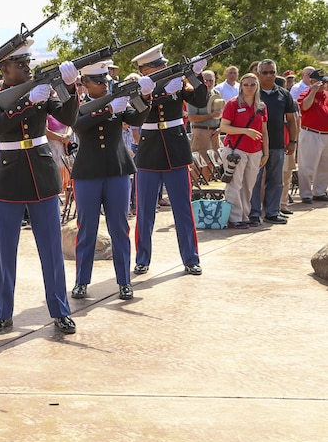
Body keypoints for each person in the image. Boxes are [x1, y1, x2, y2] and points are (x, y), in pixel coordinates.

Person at [0, 39, 80, 336]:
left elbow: (67, 117)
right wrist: (28, 103)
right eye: (19, 63)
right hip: (10, 171)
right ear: (4, 68)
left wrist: (68, 87)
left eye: (27, 62)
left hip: (40, 172)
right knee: (6, 250)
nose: (26, 67)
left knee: (51, 248)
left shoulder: (42, 88)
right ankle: (2, 313)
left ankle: (60, 310)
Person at [70, 62, 147, 300]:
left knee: (119, 227)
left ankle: (124, 281)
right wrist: (106, 111)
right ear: (85, 84)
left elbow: (138, 118)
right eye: (98, 81)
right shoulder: (80, 106)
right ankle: (82, 281)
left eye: (105, 80)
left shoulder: (116, 101)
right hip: (88, 172)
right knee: (87, 229)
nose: (104, 84)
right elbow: (78, 125)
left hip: (116, 169)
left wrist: (145, 95)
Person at [131, 43, 207, 275]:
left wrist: (195, 76)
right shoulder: (138, 87)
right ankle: (142, 258)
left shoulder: (178, 81)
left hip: (175, 148)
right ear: (145, 71)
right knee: (145, 211)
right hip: (150, 149)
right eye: (155, 67)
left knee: (183, 209)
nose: (163, 68)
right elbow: (139, 113)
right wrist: (160, 91)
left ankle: (191, 258)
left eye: (162, 65)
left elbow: (201, 101)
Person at [248, 59, 298, 225]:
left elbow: (292, 119)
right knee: (254, 180)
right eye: (265, 72)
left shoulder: (284, 94)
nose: (269, 75)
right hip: (255, 145)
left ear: (276, 73)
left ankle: (272, 212)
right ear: (258, 74)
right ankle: (254, 213)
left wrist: (293, 141)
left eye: (272, 72)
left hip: (277, 144)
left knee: (276, 181)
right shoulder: (252, 93)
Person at [218, 73, 268, 228]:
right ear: (241, 86)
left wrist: (266, 152)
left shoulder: (261, 106)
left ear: (257, 86)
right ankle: (234, 218)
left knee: (249, 185)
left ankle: (244, 215)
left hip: (255, 150)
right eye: (246, 84)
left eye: (253, 84)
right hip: (235, 150)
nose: (249, 87)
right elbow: (224, 127)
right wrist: (245, 131)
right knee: (234, 184)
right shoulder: (233, 104)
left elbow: (264, 131)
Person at [295, 68, 328, 203]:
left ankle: (319, 192)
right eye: (320, 82)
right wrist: (313, 90)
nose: (323, 85)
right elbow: (305, 107)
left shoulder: (326, 94)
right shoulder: (306, 93)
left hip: (326, 134)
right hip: (311, 133)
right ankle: (306, 194)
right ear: (312, 81)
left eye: (324, 82)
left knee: (324, 165)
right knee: (307, 166)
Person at [187, 69, 224, 181]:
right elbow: (191, 117)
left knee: (211, 162)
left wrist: (220, 128)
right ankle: (195, 190)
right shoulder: (195, 94)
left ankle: (206, 188)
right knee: (198, 162)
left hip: (215, 131)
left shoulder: (216, 94)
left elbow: (221, 113)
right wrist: (211, 115)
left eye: (211, 80)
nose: (208, 83)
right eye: (205, 80)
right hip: (200, 131)